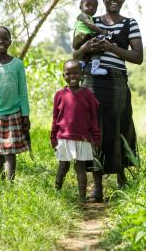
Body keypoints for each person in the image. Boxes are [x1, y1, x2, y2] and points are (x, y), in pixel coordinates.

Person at [72, 0, 143, 201]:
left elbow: (138, 57)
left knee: (119, 127)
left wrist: (112, 47)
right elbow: (74, 55)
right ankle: (97, 188)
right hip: (91, 82)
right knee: (95, 131)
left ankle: (122, 179)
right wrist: (86, 48)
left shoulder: (129, 23)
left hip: (117, 82)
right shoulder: (90, 20)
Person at [0, 26, 30, 181]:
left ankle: (10, 184)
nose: (0, 41)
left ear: (10, 41)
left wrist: (25, 115)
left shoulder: (17, 64)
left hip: (13, 114)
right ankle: (2, 181)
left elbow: (23, 92)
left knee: (9, 151)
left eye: (4, 38)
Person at [50, 59, 101, 202]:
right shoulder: (59, 95)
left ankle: (82, 198)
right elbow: (55, 118)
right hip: (64, 138)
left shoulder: (88, 95)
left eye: (76, 73)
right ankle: (56, 193)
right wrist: (53, 137)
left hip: (82, 138)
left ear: (82, 74)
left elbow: (93, 118)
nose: (72, 76)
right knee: (63, 167)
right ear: (63, 76)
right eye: (68, 73)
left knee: (80, 168)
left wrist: (96, 137)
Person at [72, 0, 111, 75]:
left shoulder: (90, 17)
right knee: (97, 46)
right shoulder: (83, 15)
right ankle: (95, 68)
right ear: (80, 7)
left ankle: (82, 64)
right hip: (82, 36)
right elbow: (90, 25)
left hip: (81, 37)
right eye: (88, 5)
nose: (91, 8)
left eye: (94, 7)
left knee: (89, 52)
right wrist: (101, 31)